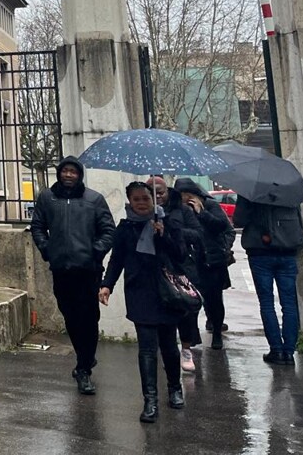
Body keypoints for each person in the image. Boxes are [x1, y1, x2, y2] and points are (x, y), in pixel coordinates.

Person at [99, 181, 189, 423]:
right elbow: (117, 259)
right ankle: (150, 400)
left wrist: (163, 235)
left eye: (145, 199)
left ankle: (174, 387)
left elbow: (181, 254)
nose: (141, 203)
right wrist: (106, 284)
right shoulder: (125, 228)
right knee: (147, 349)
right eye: (136, 199)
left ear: (154, 200)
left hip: (167, 292)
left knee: (169, 347)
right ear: (130, 202)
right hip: (140, 293)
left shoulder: (168, 221)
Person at [30, 156, 116, 395]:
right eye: (65, 171)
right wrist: (48, 251)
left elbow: (109, 230)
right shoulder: (48, 198)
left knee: (89, 318)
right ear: (59, 173)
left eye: (73, 172)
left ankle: (84, 368)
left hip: (88, 271)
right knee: (70, 317)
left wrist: (95, 252)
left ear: (80, 175)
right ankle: (85, 357)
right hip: (61, 270)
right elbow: (37, 226)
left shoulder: (94, 199)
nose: (69, 175)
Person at [234, 194, 303, 365]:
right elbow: (299, 222)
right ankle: (289, 352)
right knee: (289, 303)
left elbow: (239, 220)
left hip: (260, 253)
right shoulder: (289, 192)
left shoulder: (250, 192)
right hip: (287, 252)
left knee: (266, 303)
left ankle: (276, 350)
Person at [148, 175, 204, 373]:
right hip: (156, 268)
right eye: (153, 194)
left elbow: (198, 234)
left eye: (161, 193)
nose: (158, 198)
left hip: (181, 267)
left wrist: (174, 231)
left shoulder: (182, 210)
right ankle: (168, 351)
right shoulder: (145, 212)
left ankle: (186, 349)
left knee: (185, 310)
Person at [174, 177, 235, 350]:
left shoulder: (209, 205)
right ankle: (193, 334)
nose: (184, 199)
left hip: (212, 260)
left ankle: (216, 332)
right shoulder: (180, 210)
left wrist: (202, 213)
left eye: (186, 195)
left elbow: (222, 226)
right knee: (190, 300)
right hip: (191, 261)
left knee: (214, 300)